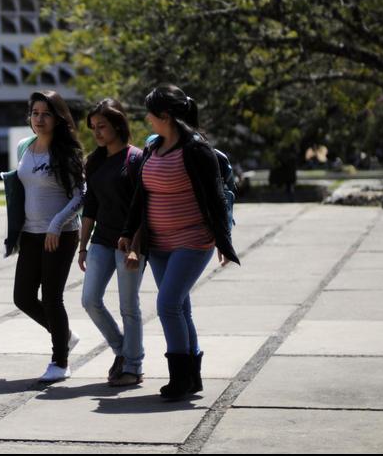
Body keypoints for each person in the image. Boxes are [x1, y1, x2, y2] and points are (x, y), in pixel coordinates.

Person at [119, 85, 240, 401]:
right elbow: (140, 196)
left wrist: (223, 242)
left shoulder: (197, 150)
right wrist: (128, 233)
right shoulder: (152, 147)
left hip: (193, 239)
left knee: (167, 304)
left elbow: (215, 197)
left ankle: (179, 378)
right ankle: (192, 377)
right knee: (180, 306)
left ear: (167, 116)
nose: (146, 118)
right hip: (158, 242)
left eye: (151, 113)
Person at [12, 90, 86, 383]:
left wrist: (56, 224)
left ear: (58, 118)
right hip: (30, 234)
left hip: (60, 234)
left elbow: (82, 195)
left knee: (52, 298)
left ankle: (60, 361)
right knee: (23, 297)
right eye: (35, 113)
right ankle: (65, 335)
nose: (39, 119)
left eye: (46, 113)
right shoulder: (24, 147)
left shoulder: (66, 152)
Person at [79, 99, 146, 386]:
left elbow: (145, 207)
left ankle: (132, 367)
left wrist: (134, 246)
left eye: (102, 126)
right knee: (90, 300)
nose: (97, 132)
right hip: (101, 241)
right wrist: (82, 246)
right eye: (93, 127)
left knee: (128, 306)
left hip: (129, 243)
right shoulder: (94, 162)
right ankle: (123, 350)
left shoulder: (136, 159)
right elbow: (89, 207)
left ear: (118, 124)